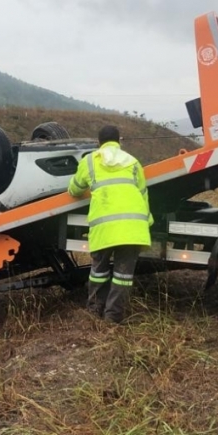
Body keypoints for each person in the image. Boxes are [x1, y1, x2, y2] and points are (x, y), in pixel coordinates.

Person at [67, 125, 153, 324]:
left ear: (99, 142)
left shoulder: (89, 161)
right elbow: (143, 194)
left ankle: (94, 310)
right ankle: (112, 318)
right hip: (132, 228)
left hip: (104, 228)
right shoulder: (133, 162)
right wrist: (147, 222)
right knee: (123, 275)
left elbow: (74, 189)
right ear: (119, 141)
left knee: (98, 271)